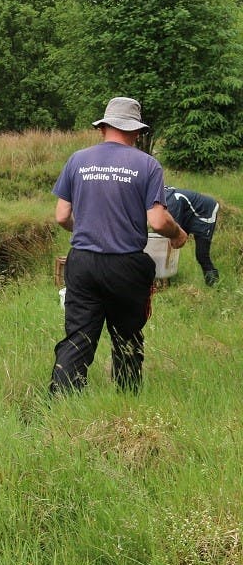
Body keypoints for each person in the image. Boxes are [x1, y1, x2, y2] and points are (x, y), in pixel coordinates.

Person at [49, 96, 188, 395]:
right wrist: (178, 235)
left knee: (78, 337)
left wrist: (86, 227)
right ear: (136, 132)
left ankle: (60, 404)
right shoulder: (147, 165)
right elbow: (158, 221)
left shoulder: (77, 159)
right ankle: (126, 401)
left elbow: (61, 216)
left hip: (82, 262)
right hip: (126, 264)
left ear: (103, 128)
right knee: (126, 336)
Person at [164, 185, 220, 285]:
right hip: (188, 211)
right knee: (167, 245)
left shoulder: (171, 202)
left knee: (201, 254)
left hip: (205, 211)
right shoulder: (156, 194)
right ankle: (165, 279)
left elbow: (174, 231)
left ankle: (214, 285)